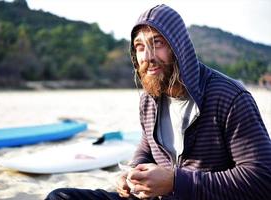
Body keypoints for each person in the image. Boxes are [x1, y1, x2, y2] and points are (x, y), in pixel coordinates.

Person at [46, 4, 271, 200]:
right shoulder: (149, 100)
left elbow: (262, 180)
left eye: (158, 43)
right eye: (140, 46)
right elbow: (147, 147)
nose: (148, 56)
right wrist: (132, 173)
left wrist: (176, 182)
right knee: (60, 197)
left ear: (178, 47)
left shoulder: (229, 97)